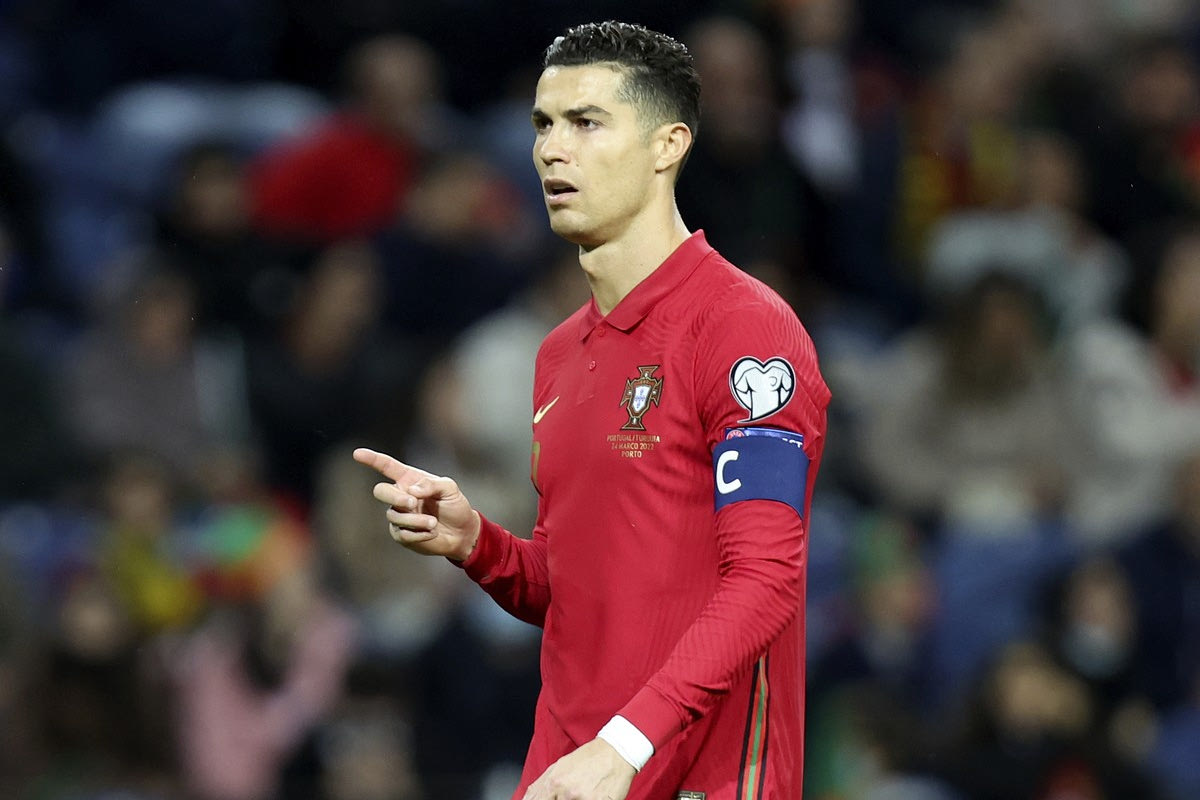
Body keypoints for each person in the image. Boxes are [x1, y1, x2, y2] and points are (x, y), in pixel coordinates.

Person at [355, 21, 830, 800]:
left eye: (586, 123)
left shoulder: (745, 329)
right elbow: (575, 592)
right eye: (543, 124)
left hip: (692, 776)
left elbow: (766, 579)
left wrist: (626, 745)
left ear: (667, 145)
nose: (552, 150)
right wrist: (478, 545)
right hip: (570, 771)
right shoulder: (558, 354)